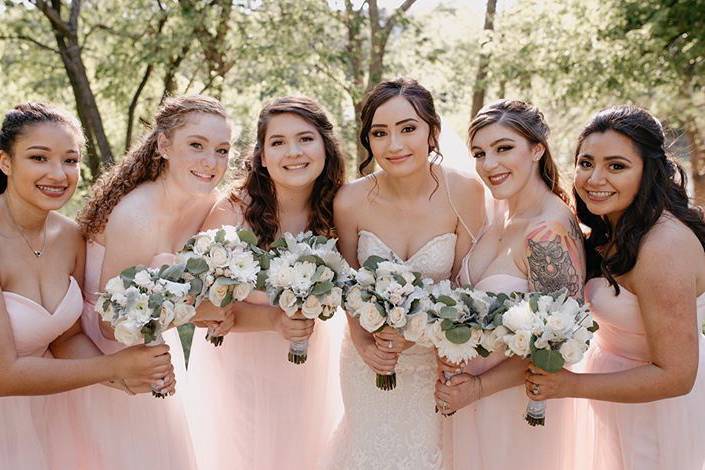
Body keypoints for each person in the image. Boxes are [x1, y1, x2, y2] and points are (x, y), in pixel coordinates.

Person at [526, 105, 705, 470]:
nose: (595, 178)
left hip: (658, 416)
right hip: (612, 402)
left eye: (617, 166)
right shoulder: (611, 230)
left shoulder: (663, 246)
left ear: (649, 172)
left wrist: (570, 386)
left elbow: (677, 376)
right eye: (586, 162)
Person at [0, 103, 173, 469]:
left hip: (51, 417)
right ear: (5, 162)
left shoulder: (69, 236)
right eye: (39, 157)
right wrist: (112, 368)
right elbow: (5, 374)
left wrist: (128, 378)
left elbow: (66, 338)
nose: (58, 174)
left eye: (70, 160)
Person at [325, 78, 485, 469]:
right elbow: (348, 286)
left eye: (408, 129)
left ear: (433, 131)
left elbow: (466, 287)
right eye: (380, 133)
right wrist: (365, 346)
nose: (394, 145)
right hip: (370, 362)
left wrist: (429, 341)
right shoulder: (350, 200)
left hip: (435, 366)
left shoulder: (465, 192)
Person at [184, 96, 347, 470]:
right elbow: (195, 305)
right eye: (277, 142)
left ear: (325, 145)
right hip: (239, 366)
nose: (293, 152)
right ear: (261, 155)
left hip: (311, 363)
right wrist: (272, 320)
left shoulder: (340, 208)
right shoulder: (232, 210)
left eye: (305, 139)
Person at [75, 95, 234, 469]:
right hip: (109, 350)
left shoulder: (205, 201)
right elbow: (111, 323)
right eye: (196, 145)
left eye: (222, 150)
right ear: (164, 145)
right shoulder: (137, 215)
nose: (211, 163)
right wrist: (199, 311)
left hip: (156, 335)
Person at [436, 99, 585, 470]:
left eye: (504, 148)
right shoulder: (495, 212)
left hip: (514, 406)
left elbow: (558, 343)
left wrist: (478, 388)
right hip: (467, 401)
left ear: (537, 148)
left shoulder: (547, 233)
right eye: (480, 153)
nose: (489, 165)